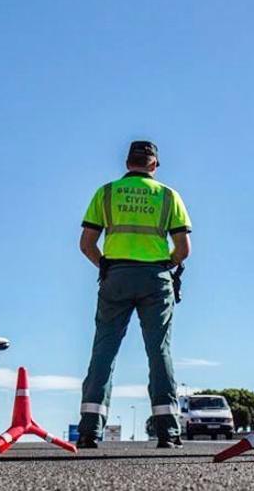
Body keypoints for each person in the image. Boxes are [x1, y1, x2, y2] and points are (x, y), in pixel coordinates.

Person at [76, 140, 192, 449]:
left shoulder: (107, 192)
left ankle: (89, 430)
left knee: (104, 350)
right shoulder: (169, 196)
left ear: (128, 163)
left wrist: (107, 266)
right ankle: (168, 431)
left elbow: (86, 243)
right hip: (156, 278)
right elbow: (184, 249)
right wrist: (165, 265)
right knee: (159, 352)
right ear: (154, 164)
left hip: (116, 276)